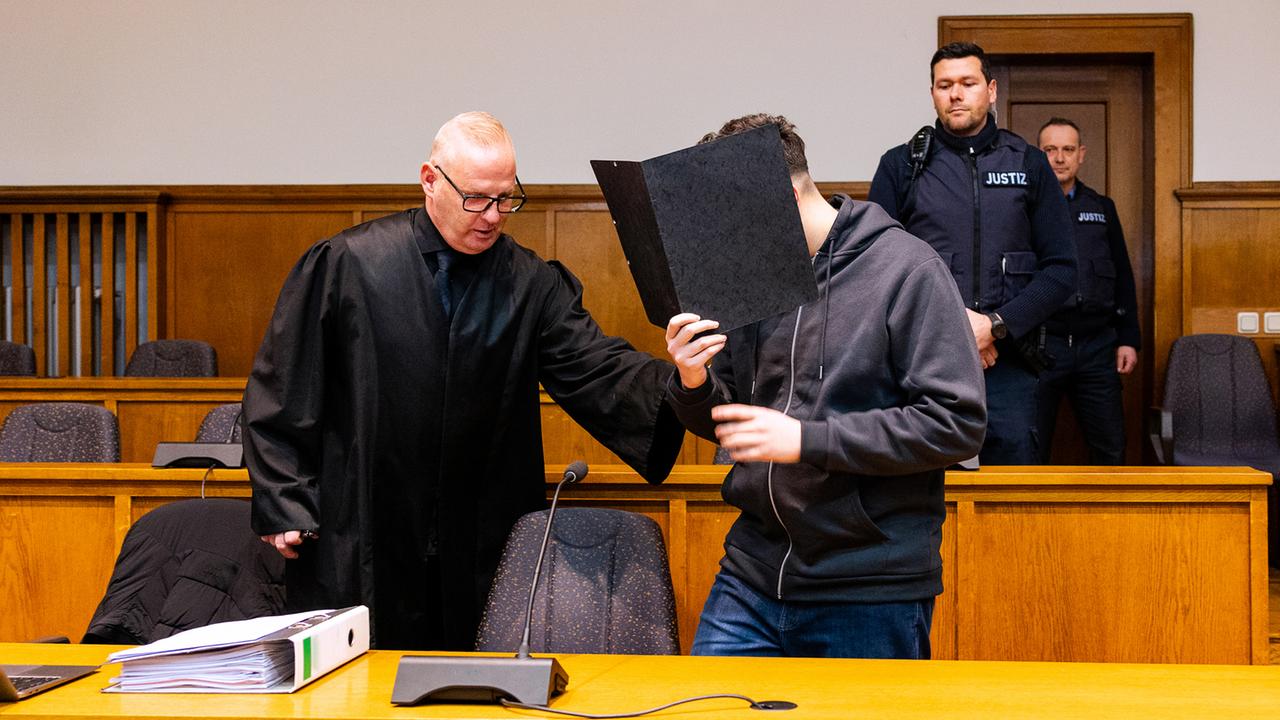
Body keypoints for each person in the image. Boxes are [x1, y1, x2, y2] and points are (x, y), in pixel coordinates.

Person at [244, 111, 686, 650]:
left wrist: (683, 382)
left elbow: (597, 366)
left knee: (478, 677)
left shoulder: (529, 283)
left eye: (506, 198)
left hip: (481, 533)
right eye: (476, 198)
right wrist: (284, 498)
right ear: (430, 180)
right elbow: (286, 384)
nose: (493, 216)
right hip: (365, 526)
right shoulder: (349, 263)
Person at [664, 113, 986, 659]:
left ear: (785, 197)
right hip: (751, 574)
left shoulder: (907, 269)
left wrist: (807, 439)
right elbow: (731, 419)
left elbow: (956, 424)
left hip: (867, 585)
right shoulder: (753, 275)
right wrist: (693, 381)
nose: (727, 237)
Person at [868, 41, 1076, 465]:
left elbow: (1062, 270)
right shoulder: (901, 166)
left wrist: (995, 326)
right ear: (932, 93)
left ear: (991, 90)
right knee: (925, 487)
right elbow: (875, 269)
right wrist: (959, 332)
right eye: (945, 85)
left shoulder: (1029, 164)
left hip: (1010, 364)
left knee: (1011, 492)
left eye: (968, 83)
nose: (956, 94)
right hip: (924, 364)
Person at [1034, 118, 1140, 464]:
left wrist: (1128, 339)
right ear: (1038, 155)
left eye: (1067, 149)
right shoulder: (1024, 208)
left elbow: (1122, 276)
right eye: (1050, 150)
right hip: (1042, 346)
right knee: (1028, 449)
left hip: (1097, 346)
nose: (1059, 158)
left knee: (1110, 448)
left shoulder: (1101, 208)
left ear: (1081, 155)